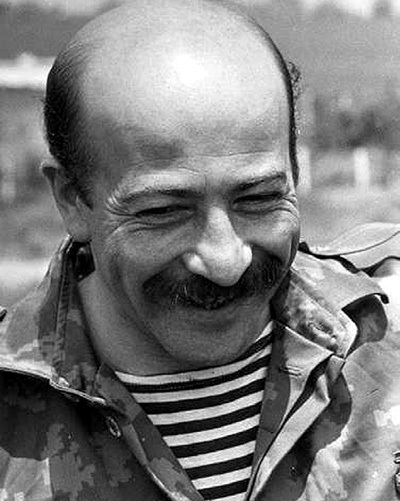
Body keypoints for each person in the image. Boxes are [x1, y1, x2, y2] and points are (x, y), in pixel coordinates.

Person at [0, 1, 400, 499]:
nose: (226, 262)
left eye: (258, 199)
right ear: (72, 199)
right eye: (165, 211)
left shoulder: (384, 338)